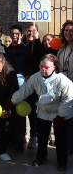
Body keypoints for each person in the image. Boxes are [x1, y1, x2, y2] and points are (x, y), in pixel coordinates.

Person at [11, 54, 73, 171]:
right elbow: (25, 90)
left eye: (47, 67)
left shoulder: (63, 81)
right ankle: (41, 156)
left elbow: (68, 98)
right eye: (41, 66)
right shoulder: (35, 77)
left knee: (61, 138)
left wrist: (61, 115)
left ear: (54, 67)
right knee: (42, 135)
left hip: (60, 111)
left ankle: (62, 161)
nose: (43, 69)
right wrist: (12, 101)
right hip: (44, 110)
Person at [4, 23, 39, 152]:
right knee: (11, 111)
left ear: (21, 35)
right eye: (12, 33)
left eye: (17, 33)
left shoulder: (28, 50)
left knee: (22, 113)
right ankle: (13, 139)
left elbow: (35, 67)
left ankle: (23, 140)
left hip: (24, 86)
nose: (14, 35)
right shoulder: (6, 51)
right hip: (10, 86)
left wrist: (22, 72)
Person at [57, 20, 73, 154]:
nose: (68, 33)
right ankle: (67, 146)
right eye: (66, 30)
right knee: (66, 117)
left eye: (71, 30)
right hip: (63, 88)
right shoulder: (61, 49)